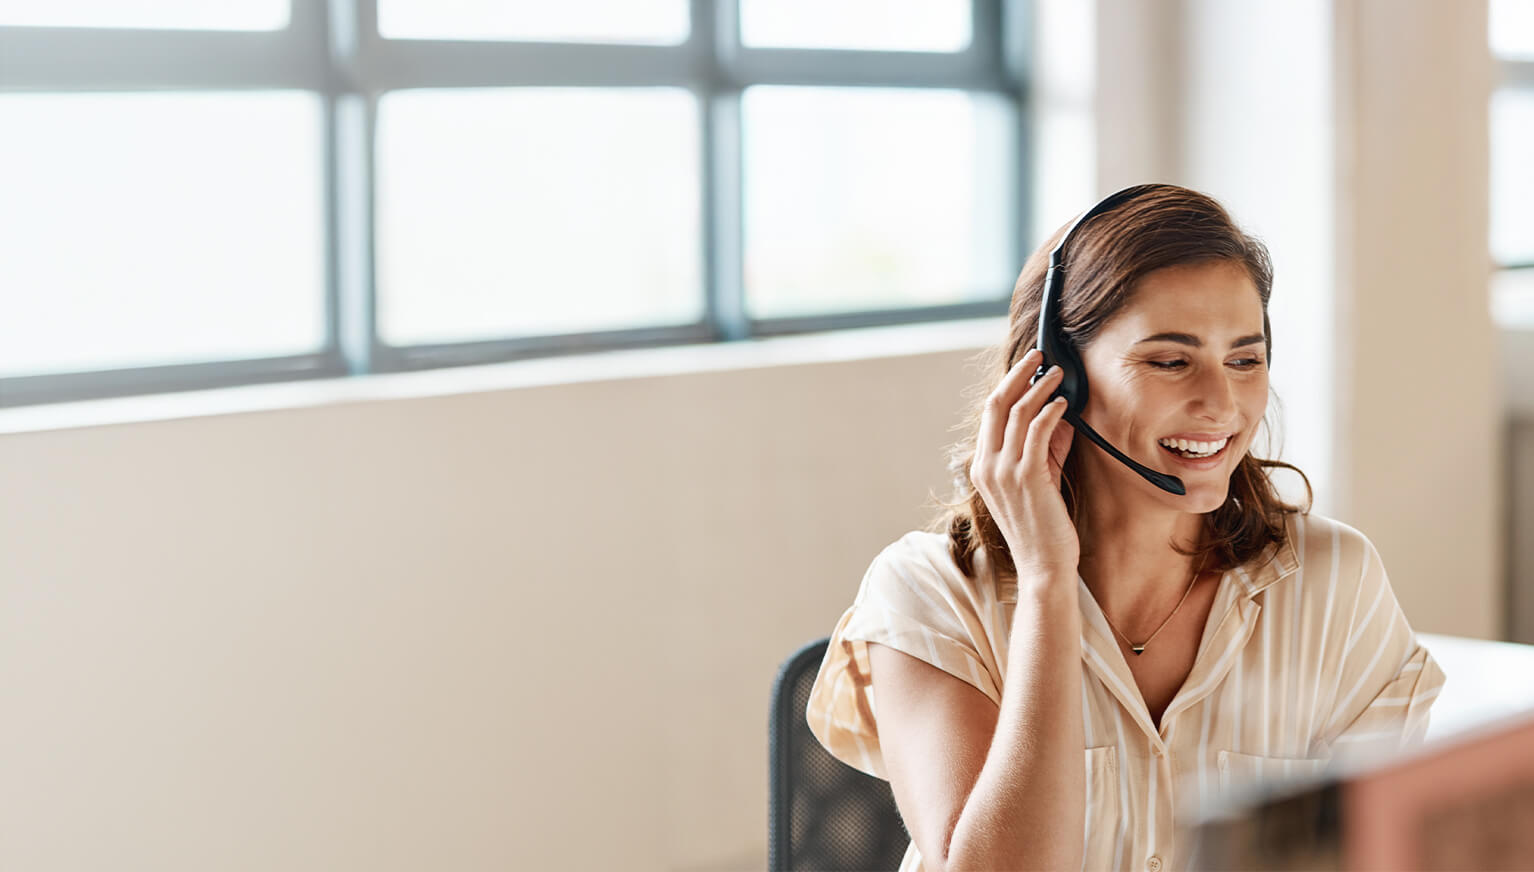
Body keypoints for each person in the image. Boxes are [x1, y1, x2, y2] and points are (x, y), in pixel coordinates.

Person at [804, 183, 1447, 872]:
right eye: (1170, 361)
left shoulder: (1333, 585)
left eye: (1245, 359)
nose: (1221, 404)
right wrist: (1049, 581)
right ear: (1054, 380)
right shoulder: (929, 595)